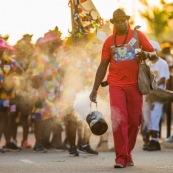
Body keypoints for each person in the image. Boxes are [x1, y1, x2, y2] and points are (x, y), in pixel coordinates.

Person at [89, 8, 155, 168]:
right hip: (116, 85)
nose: (120, 22)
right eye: (117, 21)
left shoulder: (137, 36)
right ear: (114, 23)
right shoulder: (109, 41)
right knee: (118, 120)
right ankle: (120, 157)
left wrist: (146, 55)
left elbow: (154, 54)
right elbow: (103, 66)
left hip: (135, 85)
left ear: (127, 20)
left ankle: (127, 152)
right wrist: (95, 89)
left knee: (135, 120)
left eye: (123, 20)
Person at [142, 40, 170, 151]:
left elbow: (163, 79)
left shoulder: (162, 63)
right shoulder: (148, 64)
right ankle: (151, 140)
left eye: (151, 51)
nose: (149, 53)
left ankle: (154, 140)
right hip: (148, 95)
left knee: (155, 116)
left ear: (156, 51)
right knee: (147, 116)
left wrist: (151, 86)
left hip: (158, 95)